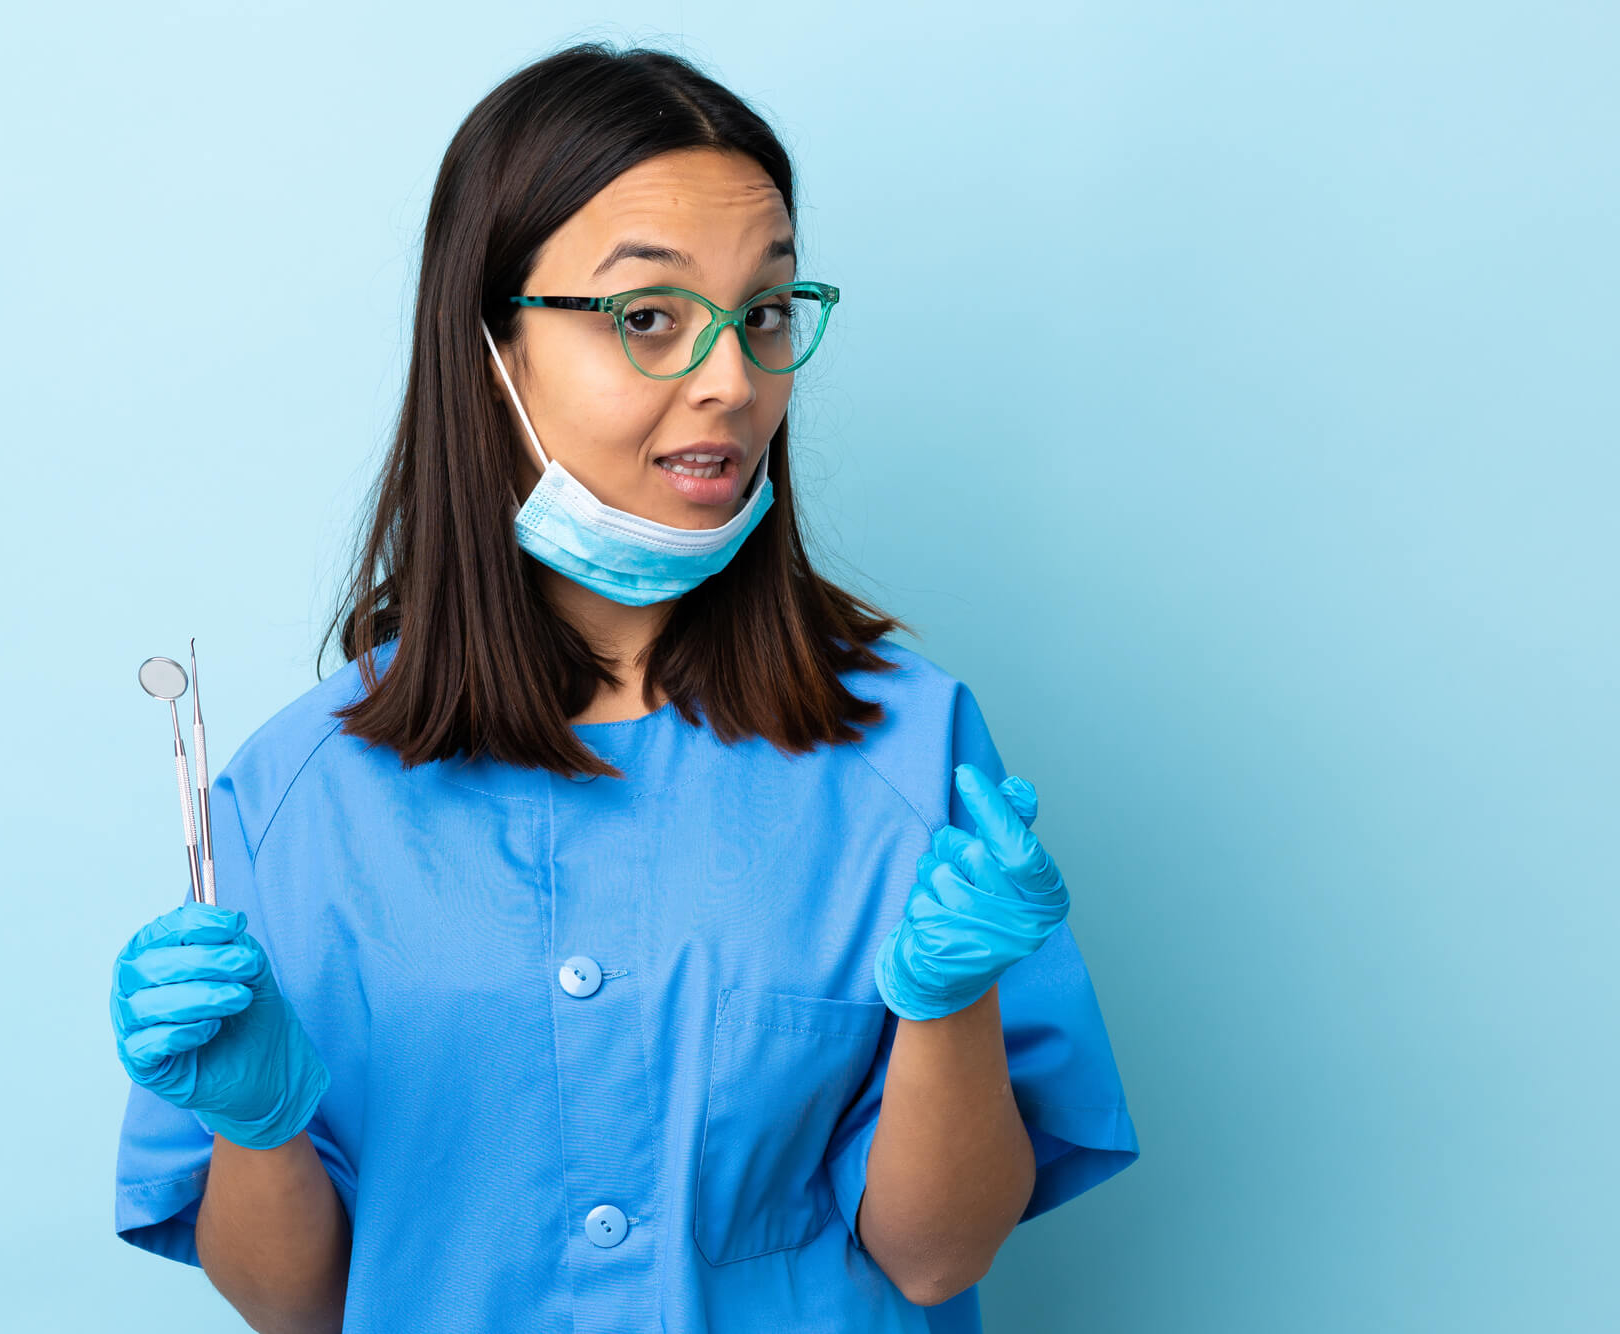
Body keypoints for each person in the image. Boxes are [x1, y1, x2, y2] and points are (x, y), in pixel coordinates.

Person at [108, 42, 1139, 1334]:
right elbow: (297, 1306)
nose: (729, 379)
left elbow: (936, 1257)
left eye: (764, 314)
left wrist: (948, 1005)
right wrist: (254, 1123)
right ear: (489, 345)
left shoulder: (910, 747)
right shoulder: (295, 796)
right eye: (648, 317)